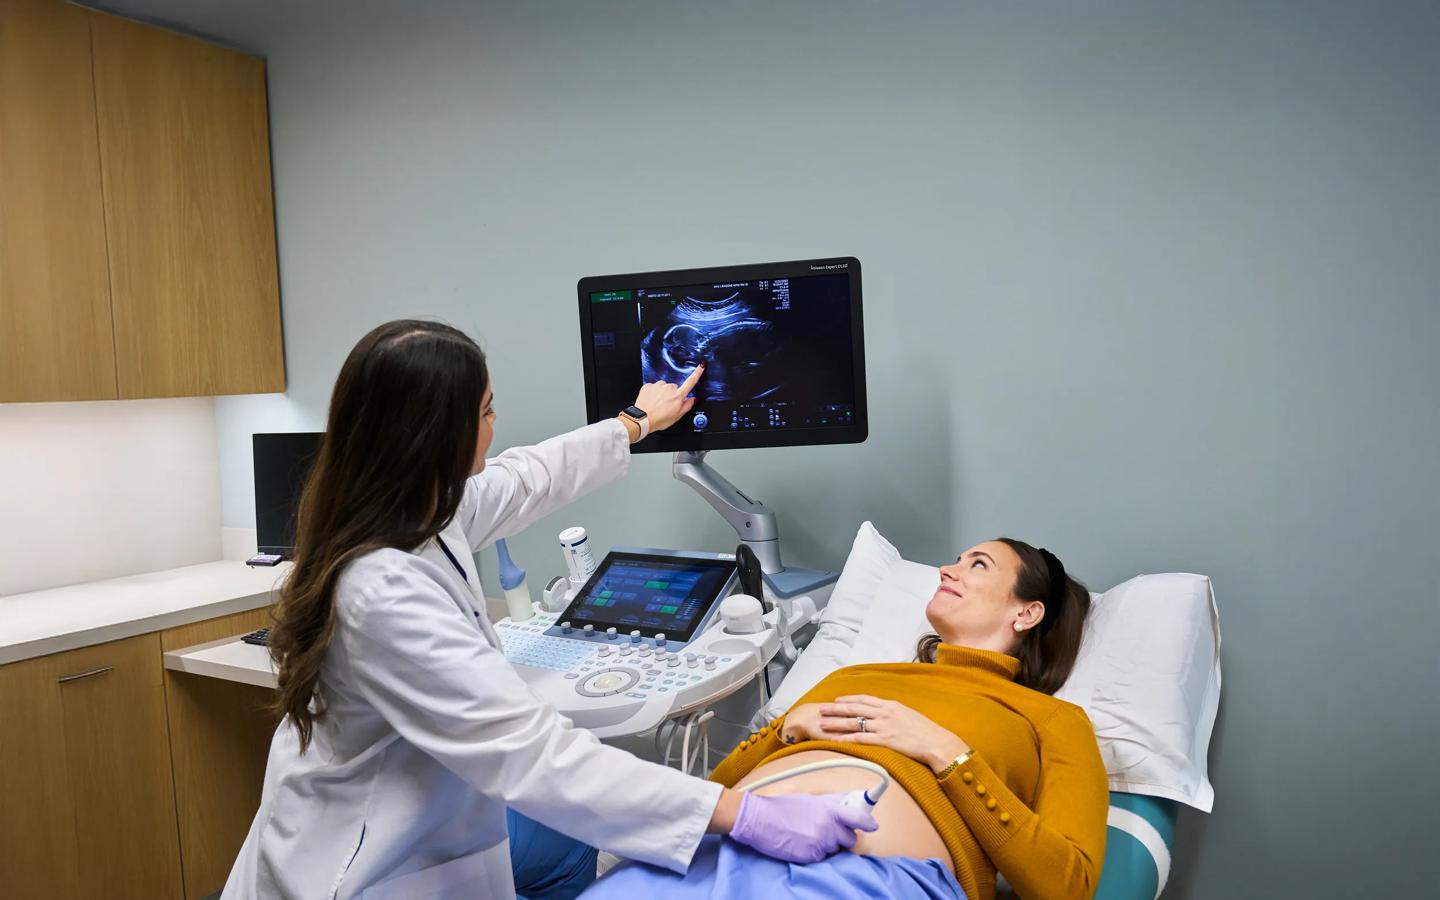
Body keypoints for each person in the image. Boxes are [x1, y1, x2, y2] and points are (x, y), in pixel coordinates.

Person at [221, 320, 877, 900]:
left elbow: (526, 477)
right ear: (436, 435)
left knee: (563, 846)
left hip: (426, 807)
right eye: (485, 409)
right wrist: (741, 812)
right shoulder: (380, 591)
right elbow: (532, 755)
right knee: (560, 808)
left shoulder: (415, 506)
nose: (494, 423)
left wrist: (637, 421)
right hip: (363, 859)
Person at [583, 539, 1108, 900]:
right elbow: (716, 795)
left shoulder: (1052, 718)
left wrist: (950, 755)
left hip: (869, 877)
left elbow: (1068, 885)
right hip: (718, 850)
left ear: (1027, 612)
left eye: (978, 565)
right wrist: (785, 730)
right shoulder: (855, 674)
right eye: (955, 559)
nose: (948, 569)